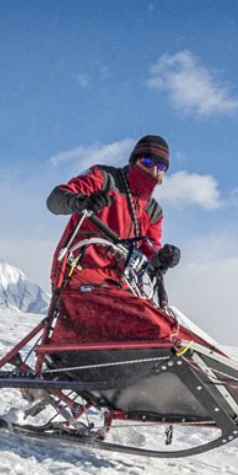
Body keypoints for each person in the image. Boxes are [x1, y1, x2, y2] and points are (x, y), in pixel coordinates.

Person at [45, 134, 185, 344]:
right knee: (149, 324)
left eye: (162, 167)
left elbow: (150, 251)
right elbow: (55, 200)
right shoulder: (104, 178)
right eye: (148, 161)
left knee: (161, 324)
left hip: (121, 286)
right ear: (134, 160)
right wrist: (82, 201)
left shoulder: (153, 211)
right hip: (81, 274)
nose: (154, 170)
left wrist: (162, 259)